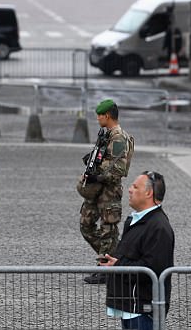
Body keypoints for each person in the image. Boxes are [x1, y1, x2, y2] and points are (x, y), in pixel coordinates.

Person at [102, 171, 174, 330]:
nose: (129, 190)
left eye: (135, 187)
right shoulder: (135, 220)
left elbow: (153, 269)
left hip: (143, 309)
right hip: (131, 307)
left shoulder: (158, 227)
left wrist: (119, 265)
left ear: (149, 193)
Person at [77, 99, 134, 284]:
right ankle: (115, 261)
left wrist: (97, 174)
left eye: (99, 115)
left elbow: (118, 167)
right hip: (96, 191)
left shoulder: (118, 137)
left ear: (107, 116)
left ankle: (106, 268)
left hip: (109, 190)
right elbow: (103, 157)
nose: (97, 118)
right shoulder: (106, 134)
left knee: (108, 229)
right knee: (86, 225)